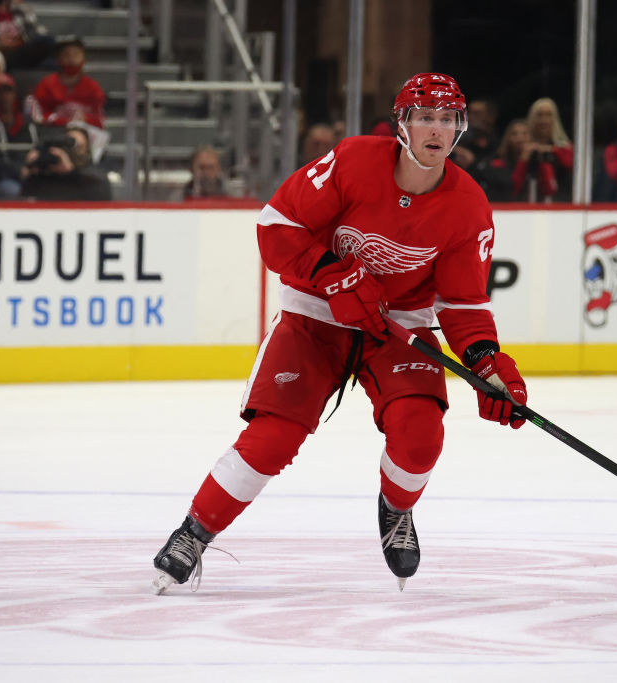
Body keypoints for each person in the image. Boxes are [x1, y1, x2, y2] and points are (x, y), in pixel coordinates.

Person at [151, 72, 529, 595]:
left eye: (447, 119)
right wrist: (332, 273)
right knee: (273, 437)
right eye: (425, 118)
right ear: (403, 124)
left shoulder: (468, 205)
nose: (436, 130)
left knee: (421, 434)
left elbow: (463, 303)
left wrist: (488, 362)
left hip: (398, 327)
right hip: (315, 314)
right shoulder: (353, 161)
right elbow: (275, 228)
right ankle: (194, 532)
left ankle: (397, 509)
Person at [20, 123, 111, 200]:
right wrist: (29, 168)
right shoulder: (48, 170)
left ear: (87, 151)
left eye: (78, 147)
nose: (72, 152)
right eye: (67, 145)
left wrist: (70, 172)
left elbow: (102, 195)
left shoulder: (94, 175)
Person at [31, 36, 105, 131]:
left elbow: (100, 120)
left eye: (76, 55)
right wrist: (64, 120)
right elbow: (38, 116)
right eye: (66, 55)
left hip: (85, 132)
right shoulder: (47, 84)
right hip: (53, 131)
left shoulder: (93, 87)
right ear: (58, 59)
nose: (71, 59)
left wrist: (85, 119)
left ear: (84, 59)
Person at [0, 0, 55, 71]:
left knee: (50, 56)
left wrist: (21, 40)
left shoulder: (20, 9)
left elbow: (39, 32)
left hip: (18, 53)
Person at [518, 96, 573, 203]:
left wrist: (552, 150)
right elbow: (515, 182)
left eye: (548, 115)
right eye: (539, 115)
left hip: (561, 202)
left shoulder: (564, 148)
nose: (544, 120)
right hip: (526, 203)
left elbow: (570, 165)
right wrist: (524, 157)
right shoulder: (524, 146)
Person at [478, 117, 531, 202]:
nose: (520, 138)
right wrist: (523, 160)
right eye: (514, 134)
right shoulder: (497, 162)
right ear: (508, 138)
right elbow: (513, 189)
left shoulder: (537, 160)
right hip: (505, 209)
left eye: (524, 134)